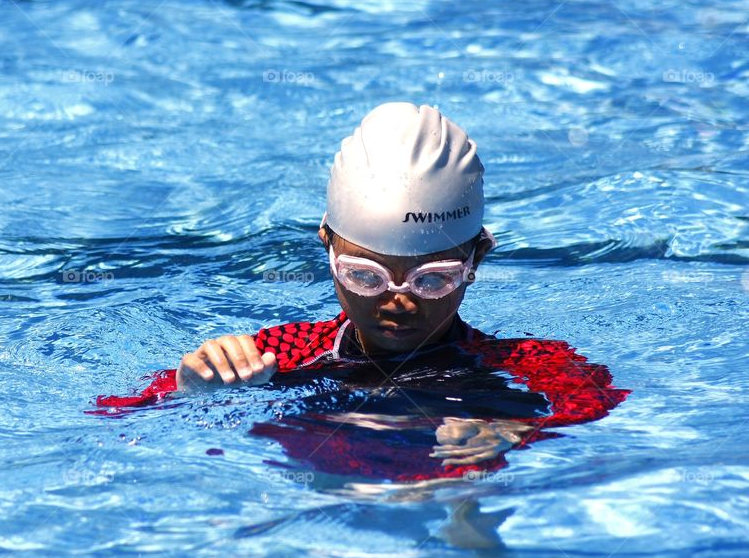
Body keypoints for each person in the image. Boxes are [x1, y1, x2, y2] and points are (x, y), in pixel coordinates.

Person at [92, 102, 631, 481]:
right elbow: (114, 416)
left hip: (444, 498)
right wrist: (189, 389)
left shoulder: (530, 363)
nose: (397, 301)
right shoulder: (284, 353)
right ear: (326, 246)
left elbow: (597, 404)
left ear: (476, 261)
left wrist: (521, 429)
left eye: (432, 278)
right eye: (365, 276)